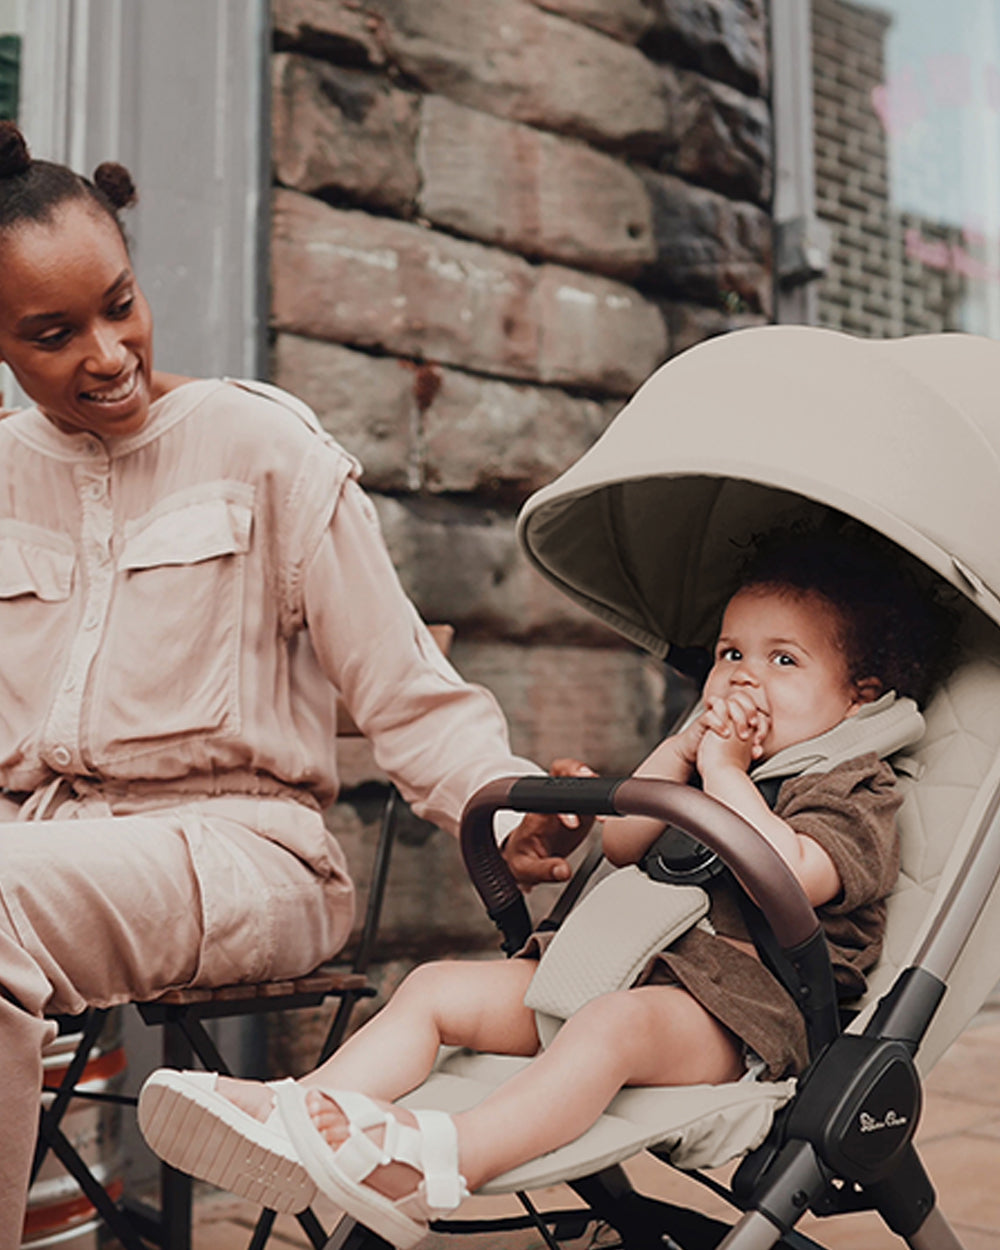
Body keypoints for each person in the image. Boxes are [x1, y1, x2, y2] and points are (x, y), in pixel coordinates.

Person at [0, 119, 580, 1247]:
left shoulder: (265, 448)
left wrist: (509, 810)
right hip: (43, 847)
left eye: (120, 305)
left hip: (245, 856)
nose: (108, 354)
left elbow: (408, 694)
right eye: (53, 334)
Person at [139, 525, 954, 1247]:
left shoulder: (852, 783)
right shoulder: (710, 760)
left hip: (740, 1014)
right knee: (436, 988)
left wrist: (723, 774)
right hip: (612, 967)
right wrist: (682, 756)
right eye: (730, 654)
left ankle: (447, 1160)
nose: (743, 680)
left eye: (783, 661)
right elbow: (627, 843)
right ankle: (297, 1117)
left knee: (609, 1029)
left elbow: (796, 875)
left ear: (859, 696)